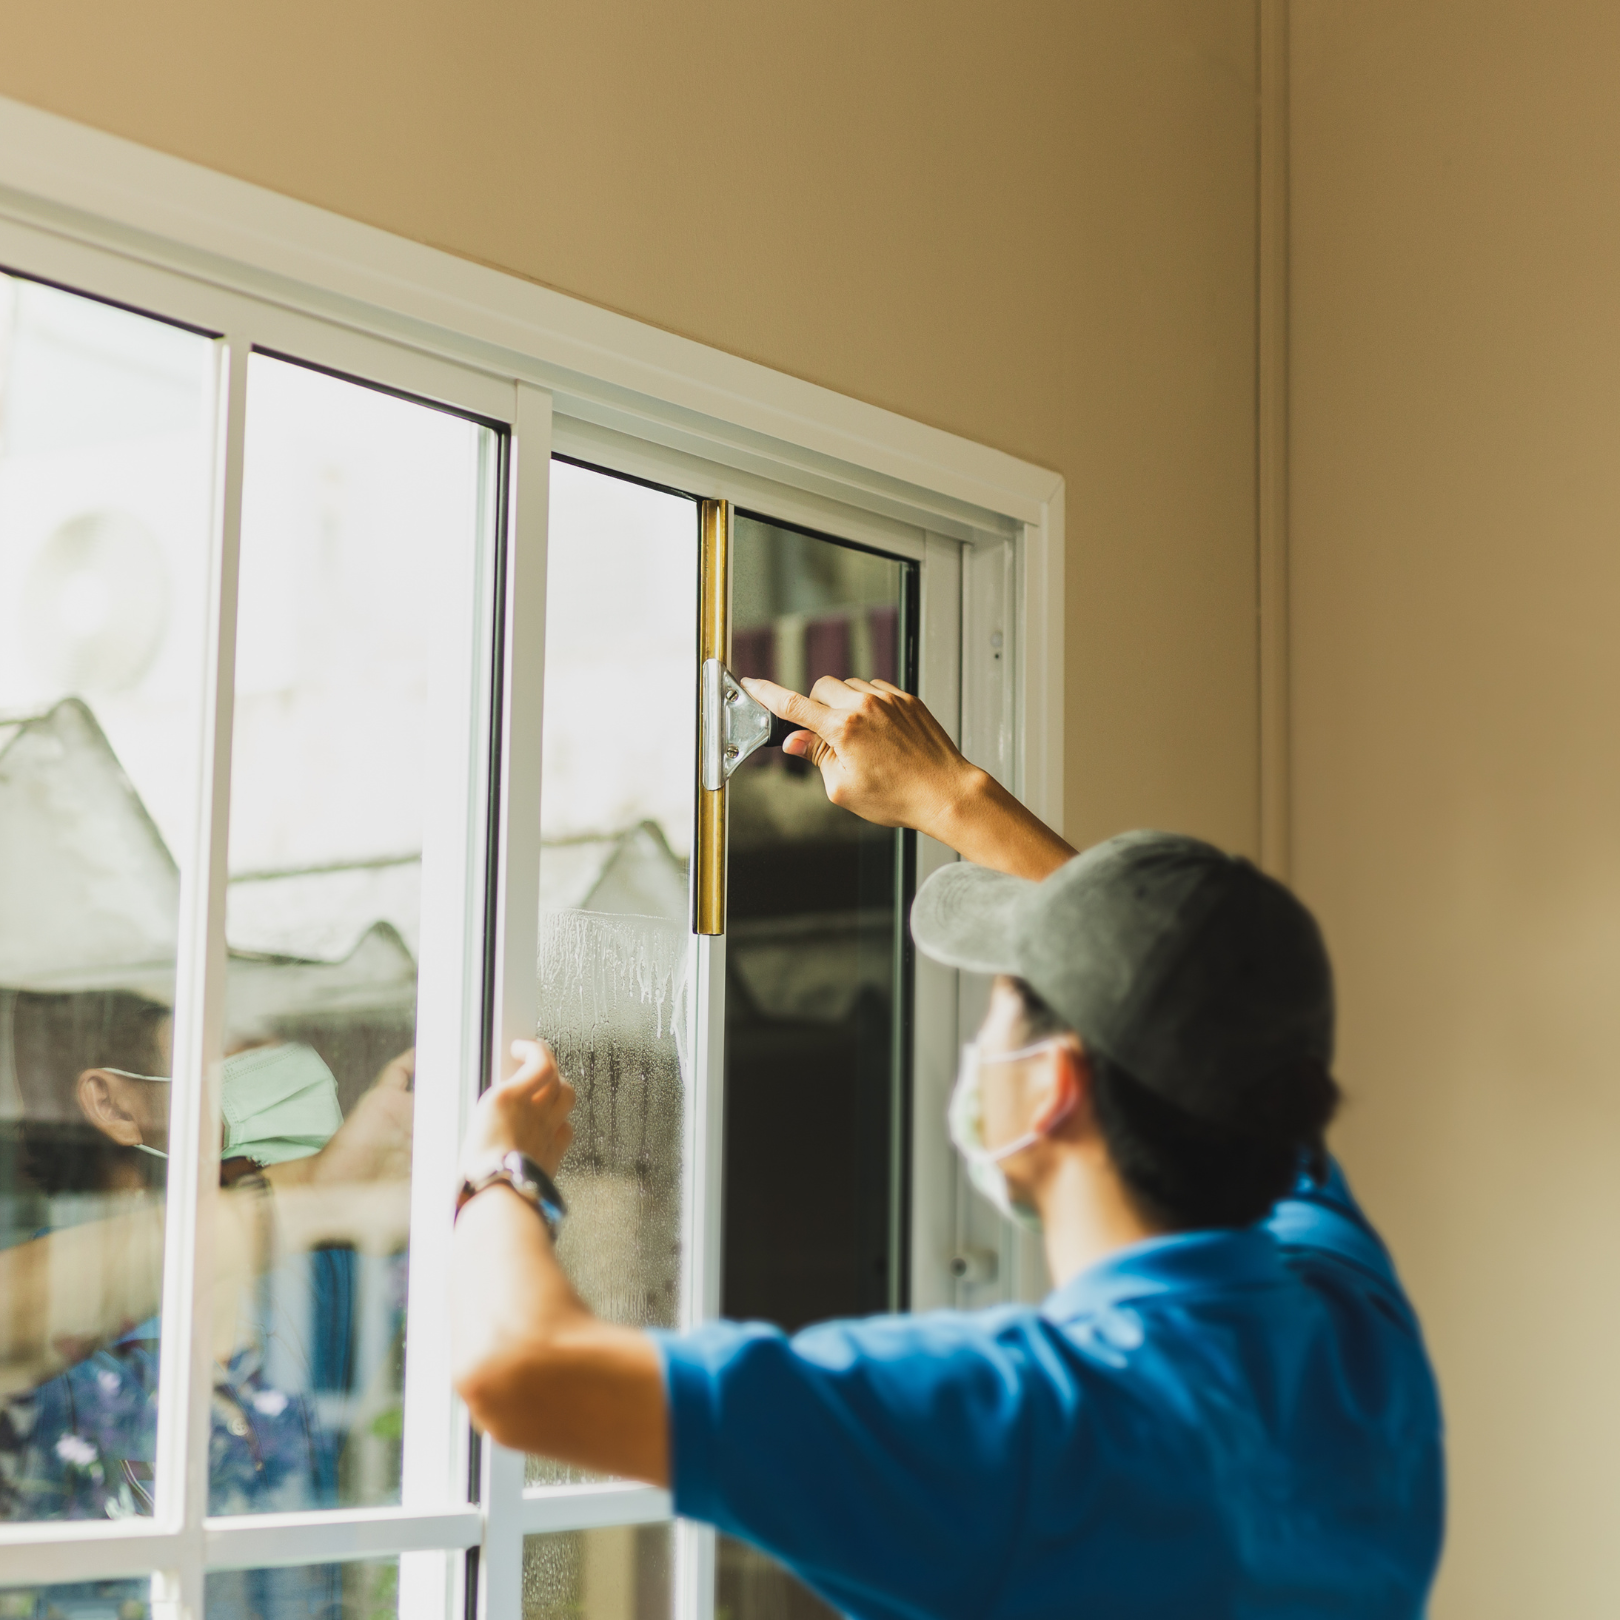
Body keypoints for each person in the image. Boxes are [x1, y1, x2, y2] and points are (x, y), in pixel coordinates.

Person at [450, 676, 1445, 1618]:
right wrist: (953, 798)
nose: (978, 1040)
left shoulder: (1011, 1425)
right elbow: (1214, 1036)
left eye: (1001, 1007)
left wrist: (507, 1166)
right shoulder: (1355, 1337)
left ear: (1054, 1085)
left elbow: (522, 1373)